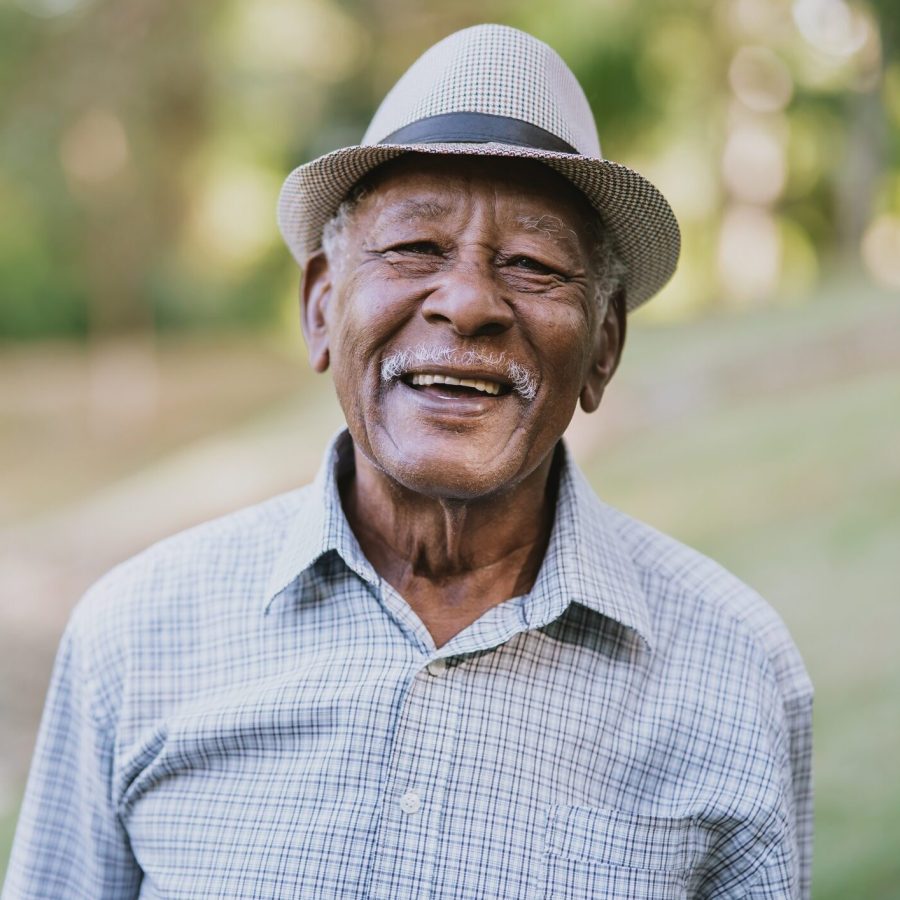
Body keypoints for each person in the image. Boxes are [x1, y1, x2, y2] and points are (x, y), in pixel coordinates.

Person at [3, 24, 812, 900]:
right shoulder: (136, 633)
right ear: (321, 307)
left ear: (604, 345)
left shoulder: (732, 668)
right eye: (414, 249)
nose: (466, 303)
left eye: (533, 264)